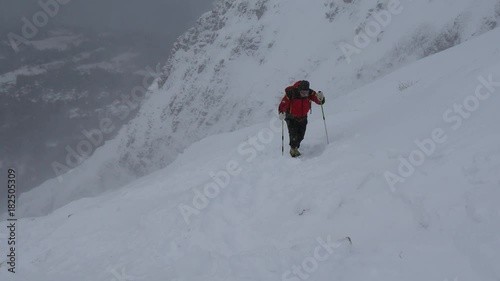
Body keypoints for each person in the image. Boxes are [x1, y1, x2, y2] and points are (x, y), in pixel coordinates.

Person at [278, 80, 325, 157]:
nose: (304, 94)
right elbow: (283, 104)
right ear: (299, 89)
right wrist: (281, 112)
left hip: (303, 117)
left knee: (301, 135)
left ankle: (296, 146)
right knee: (293, 134)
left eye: (306, 93)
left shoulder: (310, 92)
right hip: (291, 117)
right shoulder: (291, 93)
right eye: (302, 92)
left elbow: (319, 101)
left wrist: (321, 98)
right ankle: (293, 149)